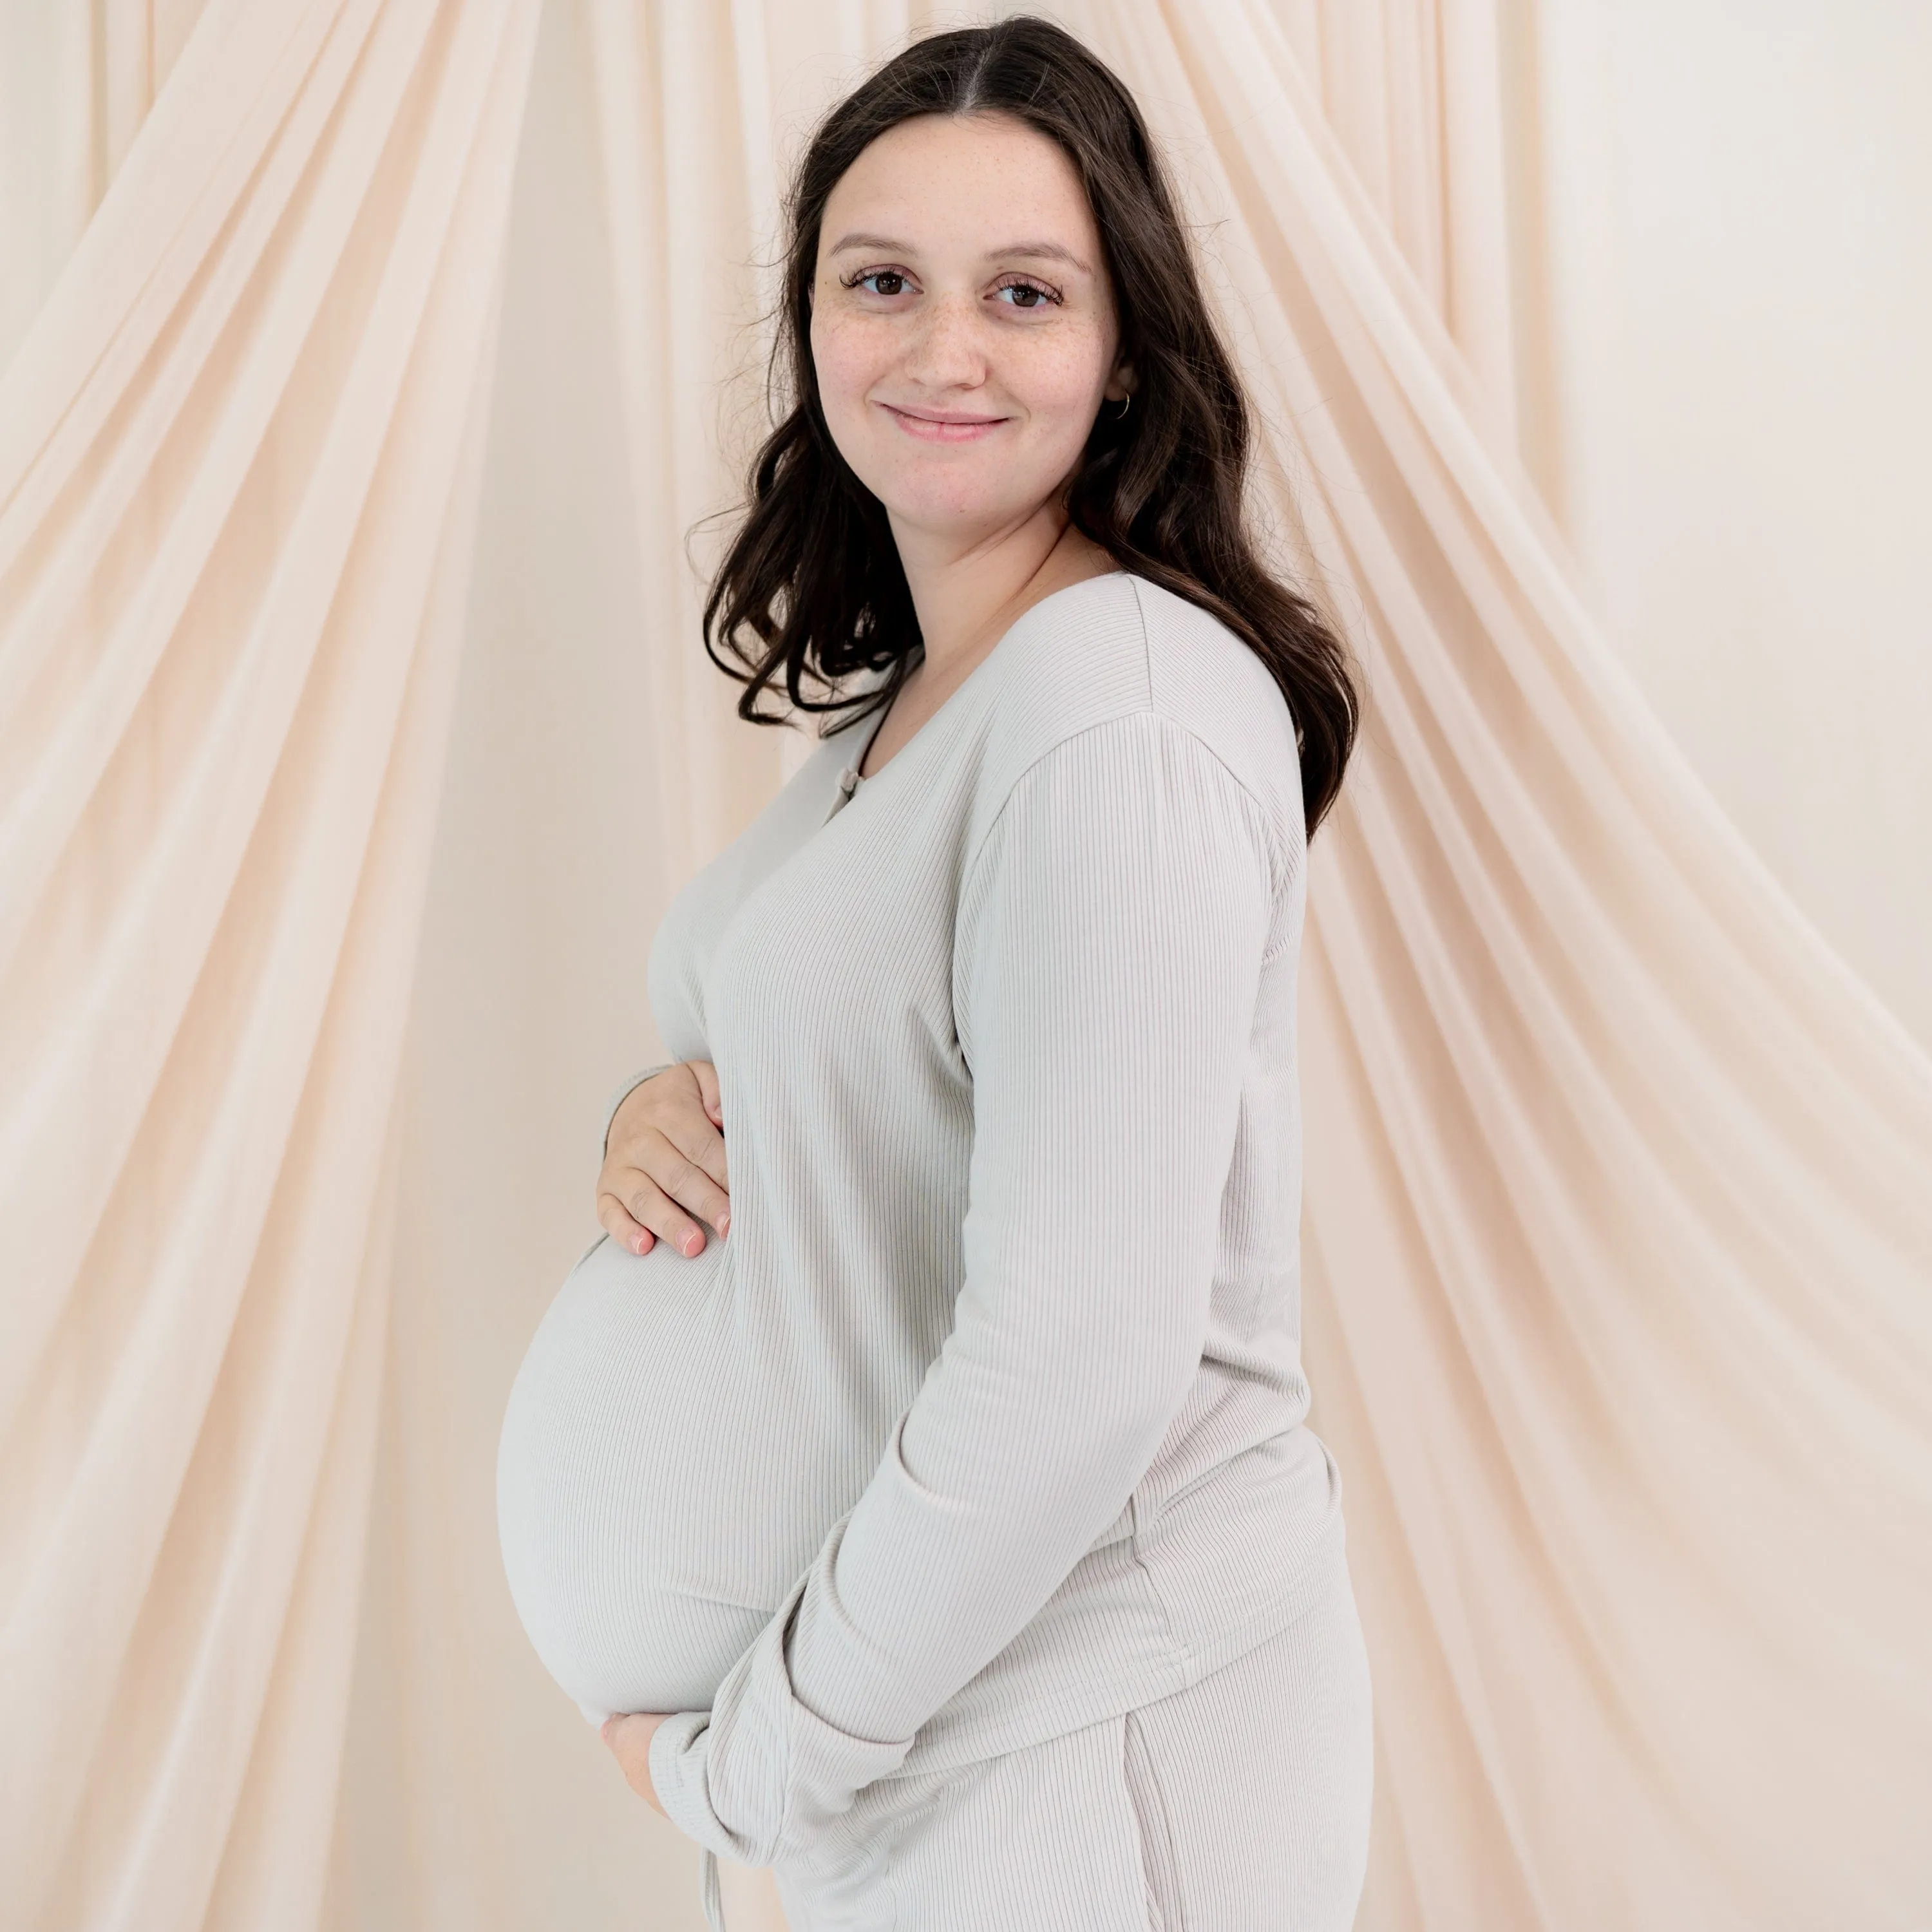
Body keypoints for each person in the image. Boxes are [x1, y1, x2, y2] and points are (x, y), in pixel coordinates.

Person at [496, 17, 1368, 1929]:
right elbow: (894, 1102)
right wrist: (681, 1102)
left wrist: (759, 1772)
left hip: (1083, 1748)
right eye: (880, 280)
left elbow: (1082, 1360)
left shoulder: (1118, 709)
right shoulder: (929, 707)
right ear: (810, 317)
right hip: (928, 1746)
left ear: (1125, 348)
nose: (942, 348)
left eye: (1025, 293)